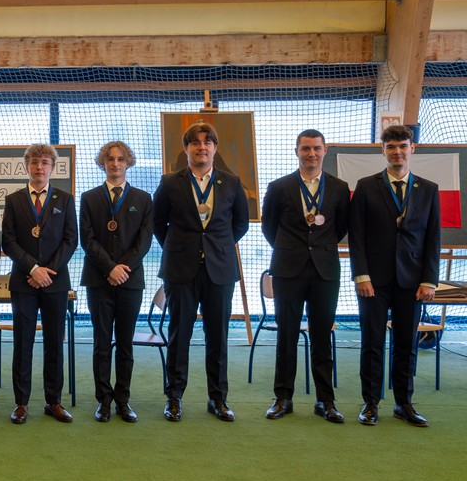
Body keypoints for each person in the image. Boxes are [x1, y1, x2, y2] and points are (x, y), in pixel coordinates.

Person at [153, 120, 249, 422]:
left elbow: (240, 224)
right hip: (180, 269)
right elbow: (158, 224)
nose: (201, 147)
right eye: (195, 142)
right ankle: (174, 398)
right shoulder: (170, 182)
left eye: (207, 142)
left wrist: (215, 246)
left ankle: (218, 399)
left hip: (220, 270)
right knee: (179, 334)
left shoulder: (232, 182)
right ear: (186, 148)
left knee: (217, 336)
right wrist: (181, 248)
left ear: (215, 148)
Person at [349, 124, 440, 427]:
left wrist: (429, 280)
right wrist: (361, 275)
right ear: (383, 150)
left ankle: (404, 404)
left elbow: (433, 238)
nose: (397, 152)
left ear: (412, 149)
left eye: (402, 146)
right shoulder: (366, 186)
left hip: (412, 282)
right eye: (391, 147)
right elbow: (356, 236)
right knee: (372, 342)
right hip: (373, 281)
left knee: (406, 344)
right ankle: (370, 404)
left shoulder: (428, 189)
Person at [261, 130, 349, 423]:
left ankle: (325, 401)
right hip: (288, 269)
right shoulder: (279, 187)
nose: (311, 154)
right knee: (286, 336)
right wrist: (290, 249)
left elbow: (341, 228)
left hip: (325, 270)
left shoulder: (339, 187)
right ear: (296, 151)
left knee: (322, 336)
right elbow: (269, 228)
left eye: (316, 148)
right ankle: (283, 398)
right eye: (306, 148)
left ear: (325, 151)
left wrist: (319, 248)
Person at [2, 144, 78, 425]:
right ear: (26, 166)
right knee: (22, 343)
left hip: (55, 283)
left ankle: (53, 402)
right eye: (34, 162)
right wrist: (33, 269)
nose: (39, 167)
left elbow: (71, 240)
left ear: (52, 167)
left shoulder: (65, 200)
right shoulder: (14, 200)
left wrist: (48, 272)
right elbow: (8, 241)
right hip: (24, 282)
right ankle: (21, 403)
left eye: (45, 162)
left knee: (54, 343)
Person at [80, 141, 153, 423]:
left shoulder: (143, 199)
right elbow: (87, 240)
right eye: (110, 159)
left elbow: (144, 242)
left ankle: (123, 400)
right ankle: (103, 401)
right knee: (101, 343)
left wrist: (122, 269)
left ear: (128, 162)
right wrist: (110, 268)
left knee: (124, 344)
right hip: (98, 281)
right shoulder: (89, 198)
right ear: (103, 163)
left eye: (121, 159)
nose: (115, 164)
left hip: (130, 281)